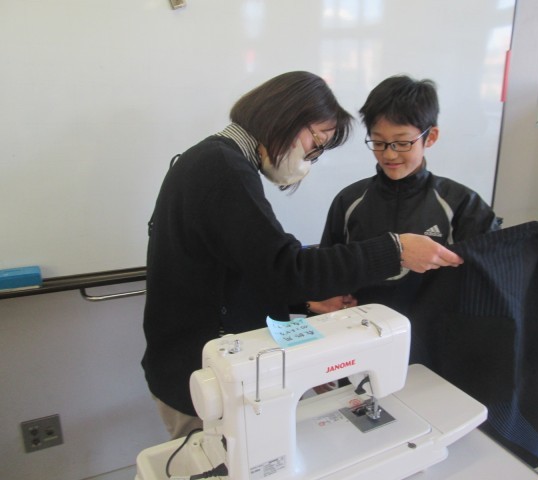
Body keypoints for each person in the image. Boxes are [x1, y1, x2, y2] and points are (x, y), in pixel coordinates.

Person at [141, 71, 465, 439]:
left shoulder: (216, 161)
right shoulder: (223, 167)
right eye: (317, 142)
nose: (311, 157)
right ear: (286, 118)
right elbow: (288, 268)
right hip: (204, 377)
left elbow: (251, 268)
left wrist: (307, 303)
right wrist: (396, 250)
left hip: (202, 365)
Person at [307, 75, 538, 317]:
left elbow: (499, 263)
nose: (389, 153)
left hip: (434, 335)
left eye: (402, 142)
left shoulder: (461, 203)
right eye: (378, 142)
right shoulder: (350, 201)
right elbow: (327, 270)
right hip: (361, 329)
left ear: (431, 137)